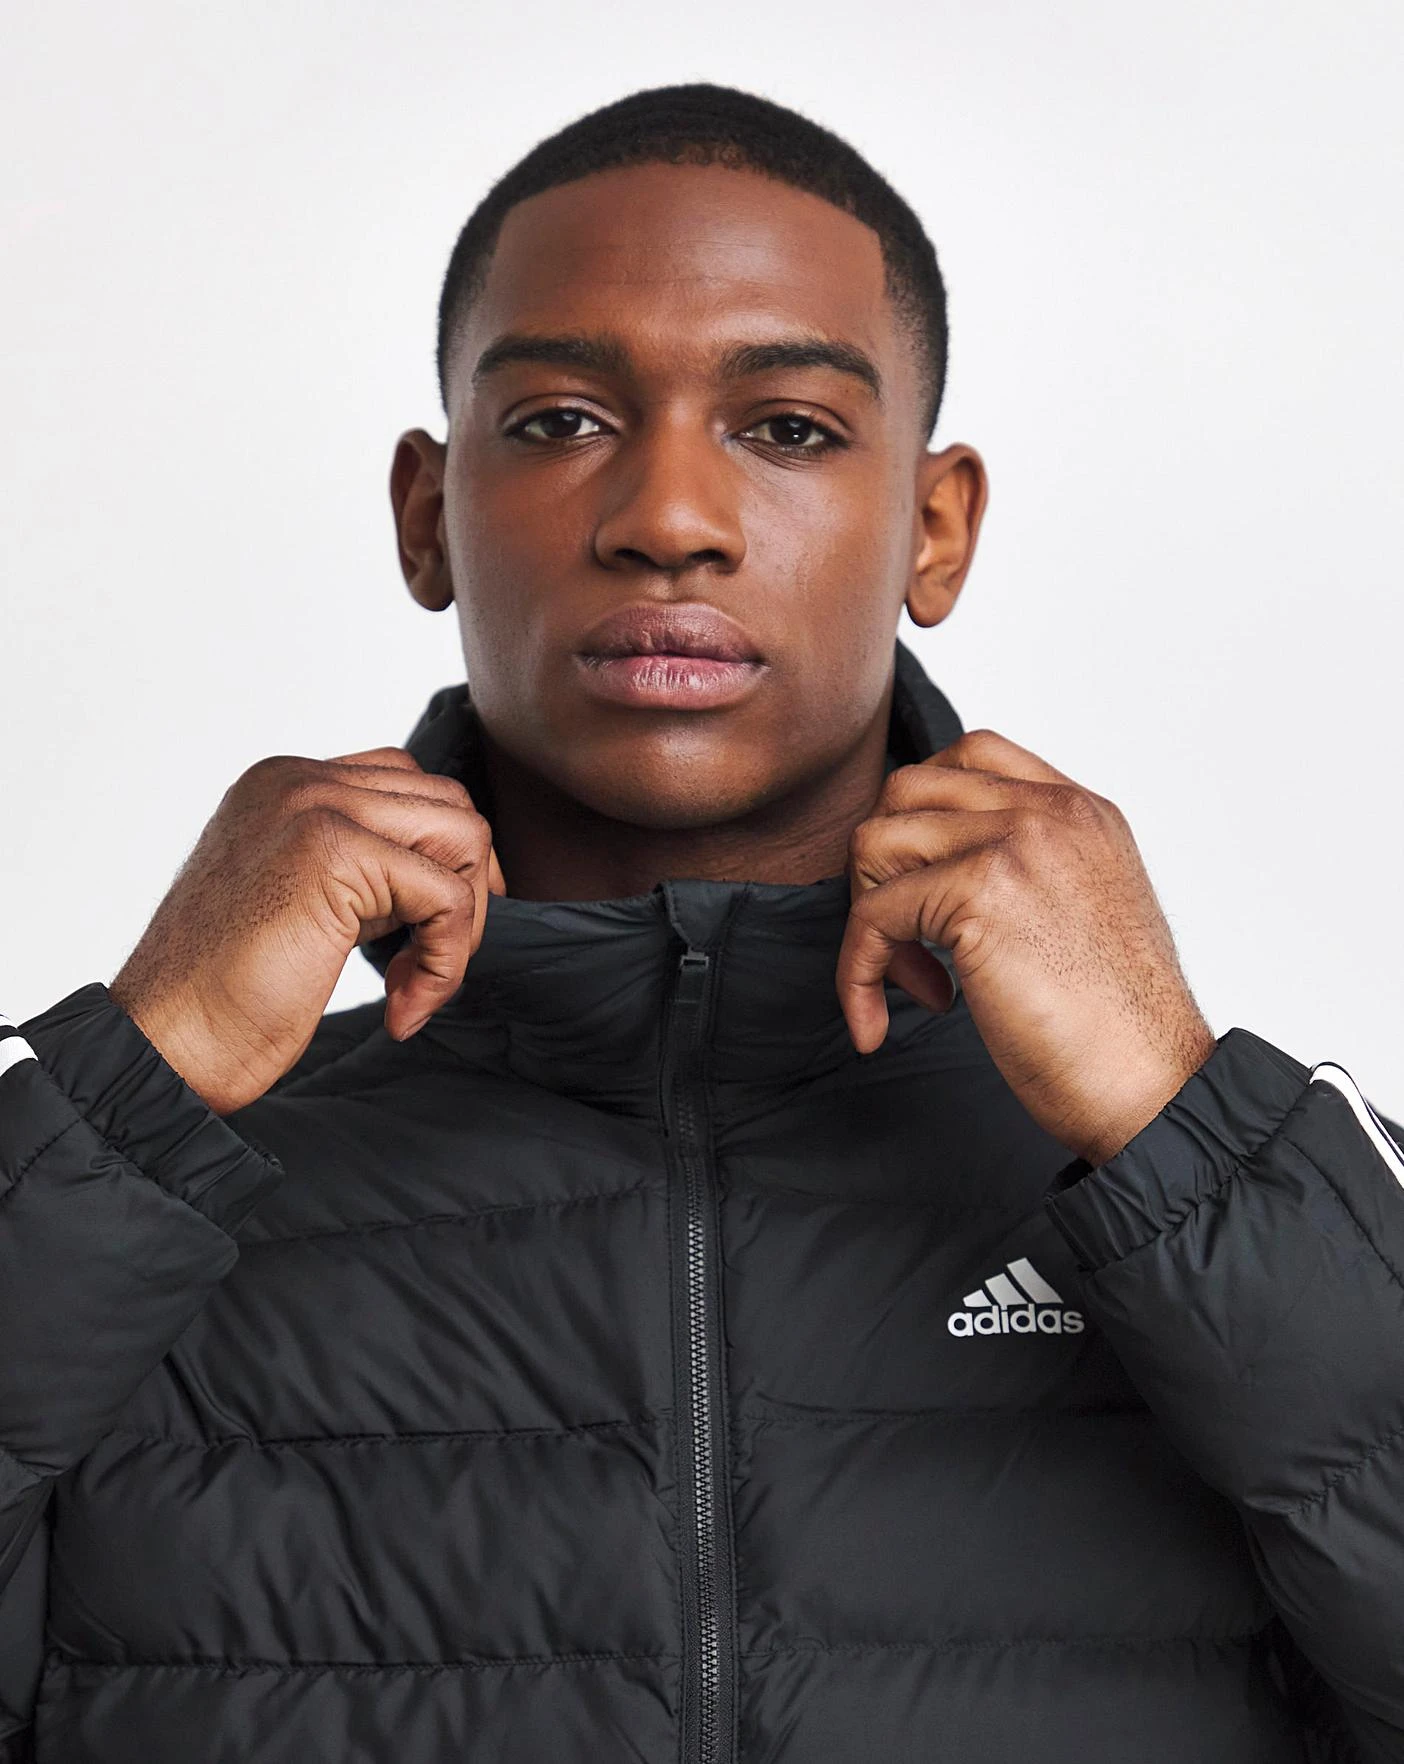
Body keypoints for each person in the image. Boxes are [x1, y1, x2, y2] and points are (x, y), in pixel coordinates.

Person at [0, 81, 1400, 1764]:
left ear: (935, 525)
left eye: (788, 429)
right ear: (427, 515)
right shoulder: (130, 1204)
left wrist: (1187, 1136)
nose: (667, 519)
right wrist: (124, 1096)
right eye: (559, 420)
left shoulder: (1233, 1201)